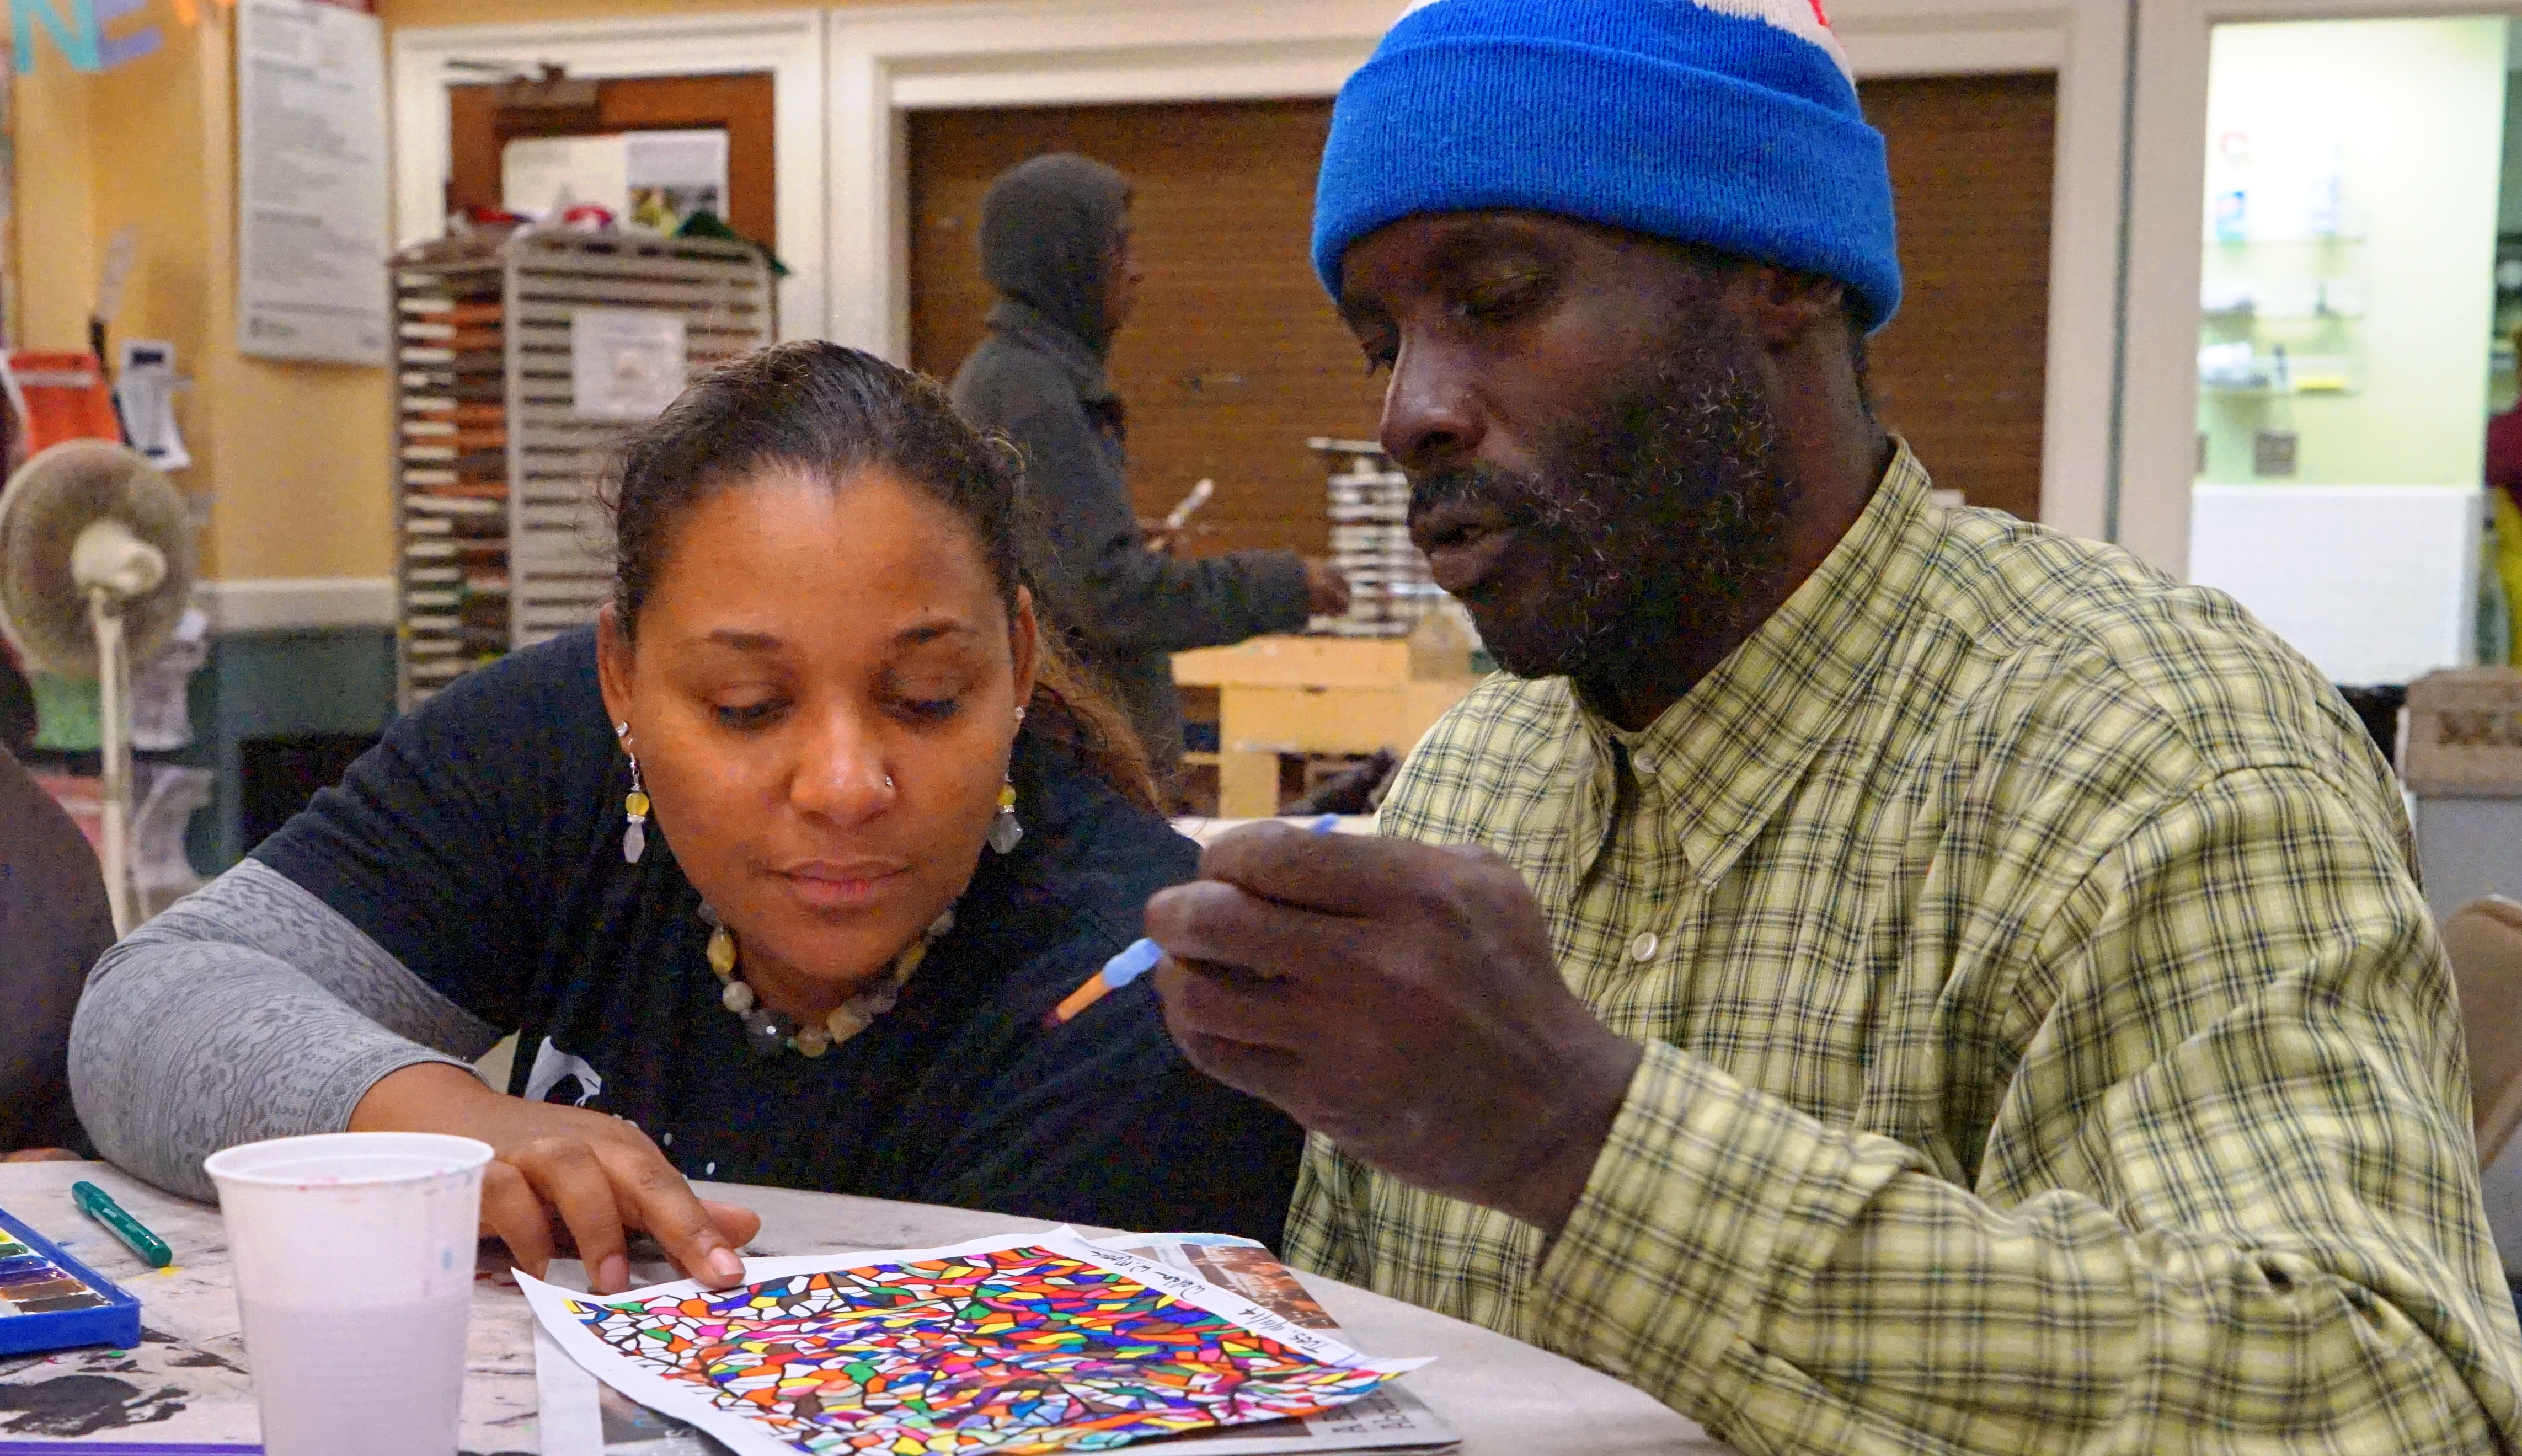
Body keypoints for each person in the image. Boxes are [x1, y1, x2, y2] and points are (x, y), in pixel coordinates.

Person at [1139, 1, 2522, 1449]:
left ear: (1781, 271)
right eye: (1379, 345)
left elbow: (2383, 1399)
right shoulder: (1477, 776)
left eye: (1492, 299)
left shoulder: (2150, 743)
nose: (1409, 413)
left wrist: (1584, 1140)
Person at [71, 342, 1301, 1294]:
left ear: (1022, 663)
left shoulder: (1143, 999)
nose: (841, 784)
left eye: (926, 700)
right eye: (748, 705)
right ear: (622, 679)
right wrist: (440, 1127)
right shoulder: (553, 749)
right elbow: (151, 1001)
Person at [950, 153, 1350, 777]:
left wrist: (1109, 537)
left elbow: (1057, 571)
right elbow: (1111, 600)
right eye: (1117, 252)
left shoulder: (1026, 378)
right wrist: (1281, 585)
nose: (1137, 273)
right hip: (1079, 767)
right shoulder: (1032, 394)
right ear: (1065, 262)